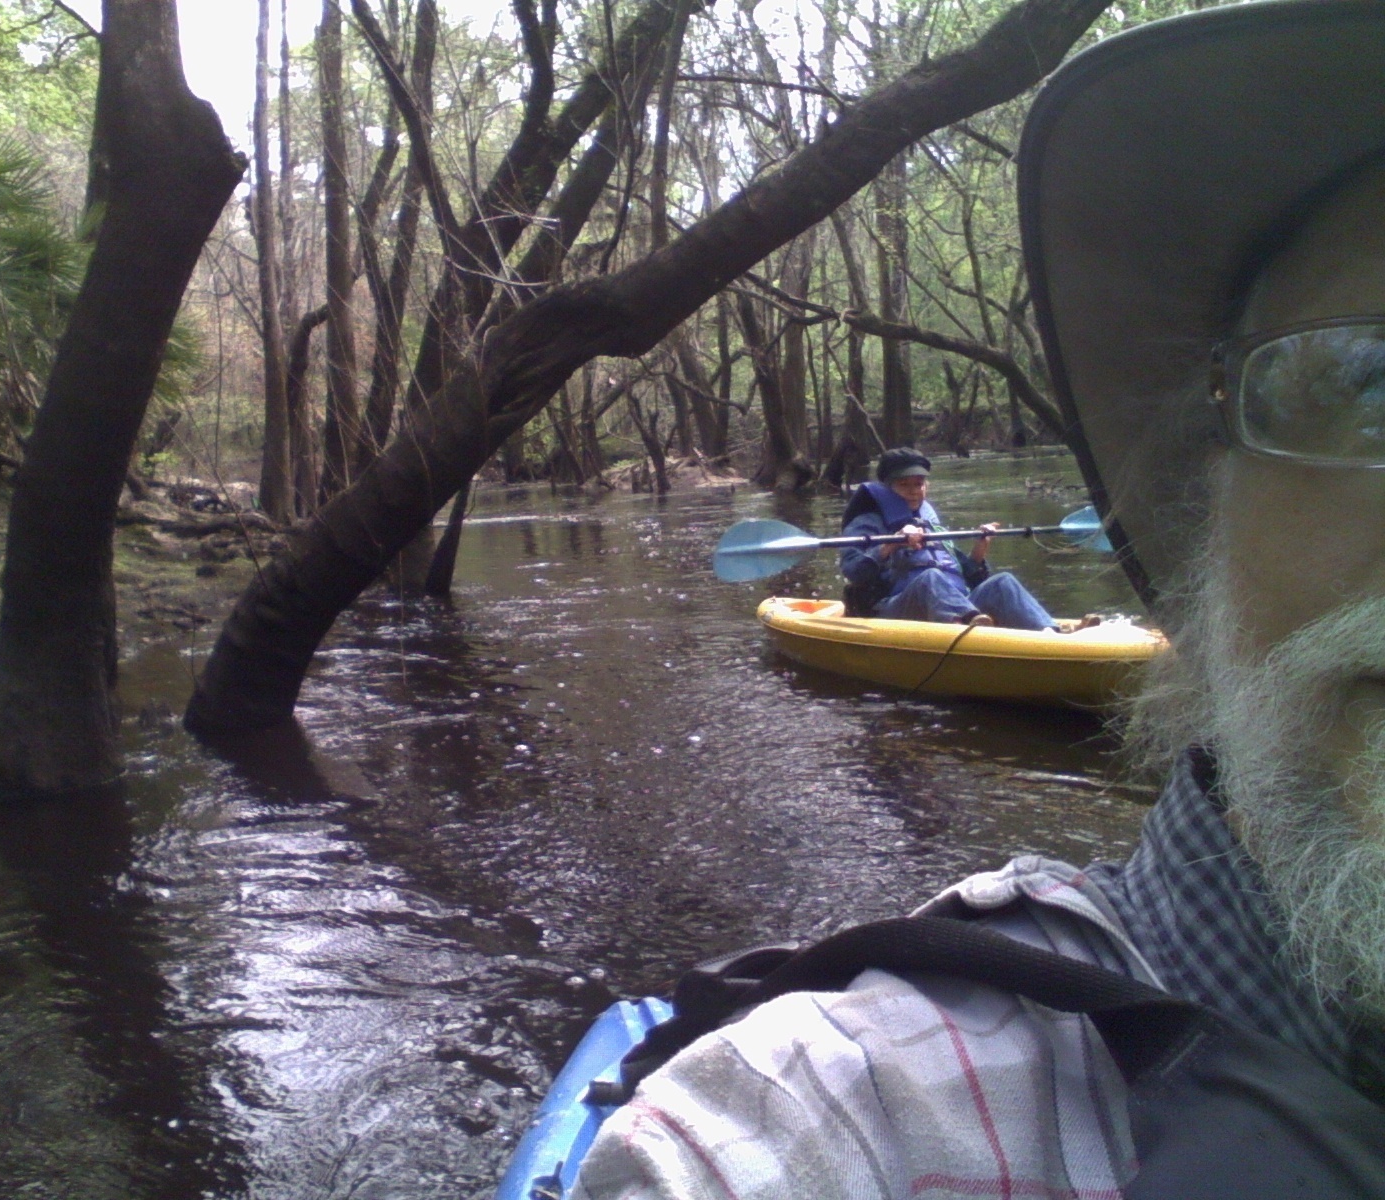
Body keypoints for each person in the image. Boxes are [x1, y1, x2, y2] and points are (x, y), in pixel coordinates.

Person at [575, 3, 1385, 1196]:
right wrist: (902, 534)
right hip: (890, 593)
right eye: (1369, 387)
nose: (916, 485)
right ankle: (988, 620)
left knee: (987, 571)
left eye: (919, 480)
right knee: (932, 571)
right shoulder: (865, 518)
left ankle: (1038, 633)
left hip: (945, 584)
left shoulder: (913, 508)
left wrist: (959, 542)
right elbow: (874, 560)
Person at [838, 447, 1059, 629]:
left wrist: (980, 548)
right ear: (887, 488)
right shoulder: (867, 522)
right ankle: (969, 628)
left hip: (953, 606)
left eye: (918, 484)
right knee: (930, 577)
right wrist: (891, 544)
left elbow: (968, 577)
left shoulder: (929, 521)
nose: (914, 491)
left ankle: (1049, 632)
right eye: (904, 485)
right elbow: (853, 571)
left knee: (1003, 582)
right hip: (891, 610)